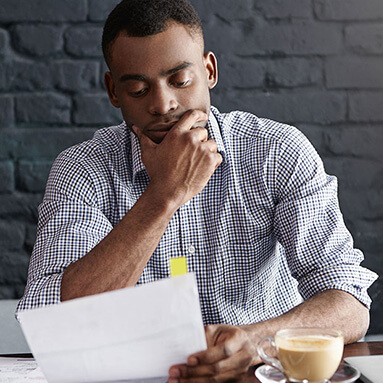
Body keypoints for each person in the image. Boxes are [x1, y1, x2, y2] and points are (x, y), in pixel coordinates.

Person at [17, 0, 377, 381]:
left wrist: (254, 342)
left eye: (180, 81)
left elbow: (349, 300)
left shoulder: (277, 151)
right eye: (138, 89)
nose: (163, 104)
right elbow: (54, 322)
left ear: (208, 71)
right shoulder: (82, 170)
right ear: (113, 91)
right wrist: (165, 194)